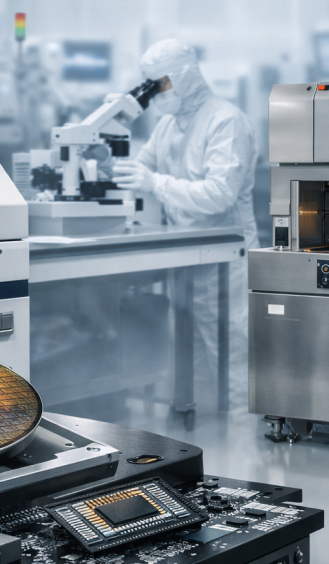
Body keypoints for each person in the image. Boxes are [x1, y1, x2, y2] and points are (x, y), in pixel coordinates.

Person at [112, 38, 259, 410]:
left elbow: (219, 194)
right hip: (184, 260)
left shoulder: (225, 120)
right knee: (187, 356)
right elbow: (141, 168)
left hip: (225, 261)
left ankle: (243, 438)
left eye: (160, 84)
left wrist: (154, 183)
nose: (156, 94)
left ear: (184, 76)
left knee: (230, 354)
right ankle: (203, 437)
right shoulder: (166, 126)